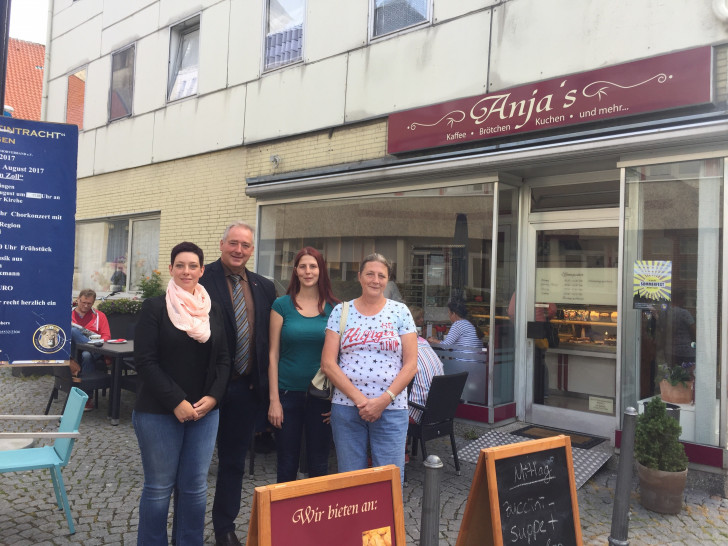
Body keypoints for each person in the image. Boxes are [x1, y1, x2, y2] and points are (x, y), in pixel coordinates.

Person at [132, 242, 230, 545]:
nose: (186, 271)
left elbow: (225, 359)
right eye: (180, 265)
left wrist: (213, 397)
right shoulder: (154, 307)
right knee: (159, 488)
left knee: (195, 488)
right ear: (172, 269)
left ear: (202, 270)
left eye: (192, 266)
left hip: (204, 413)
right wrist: (177, 401)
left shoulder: (211, 310)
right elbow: (145, 361)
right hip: (158, 412)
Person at [200, 221, 276, 546]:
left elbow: (266, 340)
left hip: (245, 390)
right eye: (233, 243)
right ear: (221, 244)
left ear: (251, 250)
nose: (239, 250)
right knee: (195, 463)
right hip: (206, 389)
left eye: (245, 245)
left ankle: (224, 528)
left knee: (233, 463)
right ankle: (187, 529)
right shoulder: (201, 280)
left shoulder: (264, 286)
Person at [321, 253, 417, 484]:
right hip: (347, 409)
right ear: (360, 277)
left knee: (389, 480)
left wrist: (383, 400)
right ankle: (354, 522)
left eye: (381, 275)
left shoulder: (400, 312)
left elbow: (411, 364)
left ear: (388, 280)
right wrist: (361, 401)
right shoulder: (341, 312)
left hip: (392, 409)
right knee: (351, 478)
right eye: (370, 274)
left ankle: (388, 522)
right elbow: (328, 363)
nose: (375, 280)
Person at [268, 247, 339, 483]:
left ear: (321, 270)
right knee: (286, 463)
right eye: (302, 266)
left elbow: (341, 358)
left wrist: (337, 398)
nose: (308, 271)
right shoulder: (281, 306)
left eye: (313, 266)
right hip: (287, 393)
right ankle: (284, 518)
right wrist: (274, 401)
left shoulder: (334, 309)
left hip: (322, 396)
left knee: (319, 464)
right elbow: (272, 354)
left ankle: (316, 518)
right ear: (295, 271)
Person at [71, 288, 112, 410]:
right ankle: (87, 398)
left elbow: (107, 336)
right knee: (73, 332)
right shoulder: (67, 314)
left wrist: (96, 342)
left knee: (88, 354)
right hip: (73, 353)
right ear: (78, 299)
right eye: (83, 302)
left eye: (89, 303)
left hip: (97, 352)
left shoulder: (100, 316)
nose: (85, 305)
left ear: (93, 303)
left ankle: (87, 398)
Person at [407, 306, 444, 424]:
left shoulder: (405, 347)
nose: (422, 320)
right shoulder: (425, 343)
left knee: (383, 407)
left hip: (419, 411)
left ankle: (397, 442)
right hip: (438, 409)